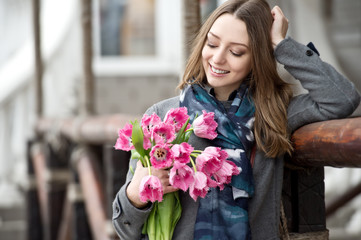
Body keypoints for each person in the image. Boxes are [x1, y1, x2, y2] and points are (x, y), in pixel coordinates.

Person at [112, 0, 360, 239]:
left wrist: (282, 45)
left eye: (236, 52)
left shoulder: (273, 114)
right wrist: (135, 194)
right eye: (212, 44)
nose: (218, 58)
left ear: (258, 58)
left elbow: (342, 98)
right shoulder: (163, 117)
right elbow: (126, 230)